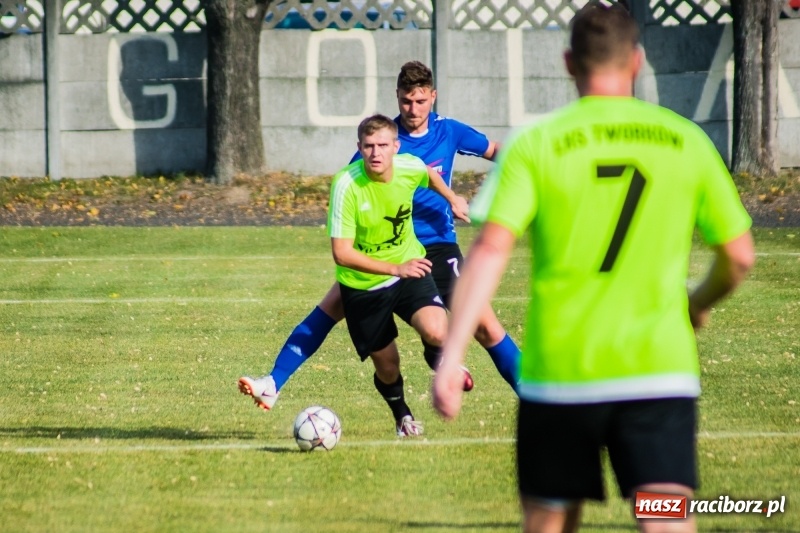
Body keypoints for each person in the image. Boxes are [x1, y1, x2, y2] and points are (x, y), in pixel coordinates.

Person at [432, 3, 755, 533]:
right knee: (664, 517)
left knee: (550, 519)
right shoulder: (686, 139)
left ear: (567, 63)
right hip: (657, 371)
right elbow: (740, 256)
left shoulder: (536, 142)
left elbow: (489, 251)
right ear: (637, 62)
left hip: (562, 375)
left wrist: (452, 358)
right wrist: (694, 304)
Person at [239, 61, 521, 411]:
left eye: (420, 101)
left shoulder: (450, 132)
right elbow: (354, 192)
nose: (413, 109)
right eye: (406, 101)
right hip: (386, 248)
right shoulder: (379, 143)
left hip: (437, 243)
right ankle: (273, 382)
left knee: (484, 323)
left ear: (433, 97)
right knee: (330, 308)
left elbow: (495, 150)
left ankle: (535, 398)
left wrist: (529, 171)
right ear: (397, 98)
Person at [328, 113, 469, 436]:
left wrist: (452, 198)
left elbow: (430, 174)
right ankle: (402, 415)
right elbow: (342, 254)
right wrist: (394, 269)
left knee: (438, 331)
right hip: (363, 286)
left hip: (407, 265)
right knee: (388, 366)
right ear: (359, 148)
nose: (375, 153)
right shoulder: (346, 185)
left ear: (396, 146)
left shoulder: (408, 166)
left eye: (382, 145)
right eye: (368, 146)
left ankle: (440, 363)